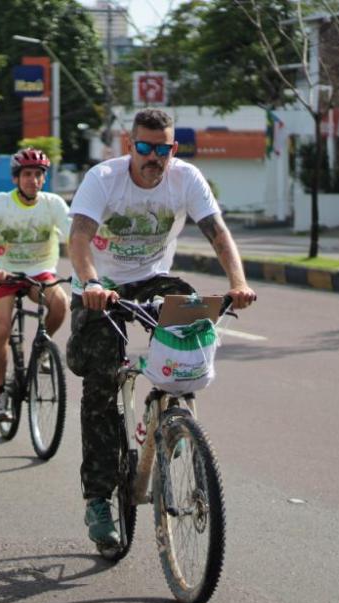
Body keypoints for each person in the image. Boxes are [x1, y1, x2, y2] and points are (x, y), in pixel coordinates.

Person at [66, 108, 257, 548]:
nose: (154, 157)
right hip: (100, 286)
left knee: (192, 315)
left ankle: (173, 417)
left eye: (163, 149)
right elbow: (78, 237)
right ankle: (98, 498)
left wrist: (238, 283)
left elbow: (217, 232)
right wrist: (91, 283)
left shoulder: (186, 178)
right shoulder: (103, 178)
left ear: (173, 148)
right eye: (145, 147)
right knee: (99, 385)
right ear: (130, 146)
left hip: (154, 279)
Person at [0, 147, 71, 421]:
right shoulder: (0, 203)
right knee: (2, 329)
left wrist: (86, 271)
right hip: (5, 274)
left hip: (39, 273)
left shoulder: (53, 203)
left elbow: (74, 235)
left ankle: (41, 350)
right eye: (27, 174)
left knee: (60, 304)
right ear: (16, 178)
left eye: (38, 174)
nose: (33, 180)